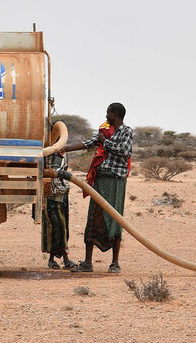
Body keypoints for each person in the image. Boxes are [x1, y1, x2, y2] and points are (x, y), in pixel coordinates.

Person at [54, 103, 133, 274]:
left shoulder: (126, 131)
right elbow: (87, 143)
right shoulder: (105, 132)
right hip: (100, 180)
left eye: (108, 113)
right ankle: (88, 262)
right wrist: (64, 149)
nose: (106, 116)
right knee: (94, 218)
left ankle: (115, 263)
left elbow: (123, 151)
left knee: (115, 219)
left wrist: (104, 142)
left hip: (115, 181)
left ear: (115, 114)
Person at [41, 148, 75, 269]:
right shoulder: (46, 153)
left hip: (62, 192)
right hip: (50, 193)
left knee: (63, 226)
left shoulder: (64, 154)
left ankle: (53, 259)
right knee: (54, 225)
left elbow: (64, 170)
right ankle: (63, 258)